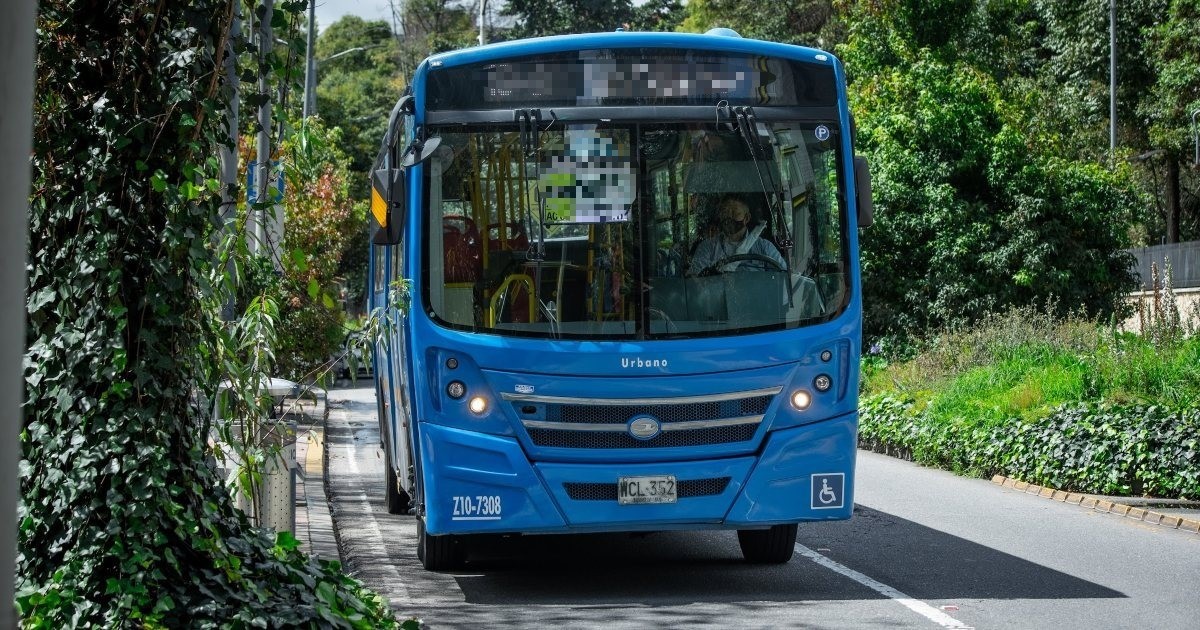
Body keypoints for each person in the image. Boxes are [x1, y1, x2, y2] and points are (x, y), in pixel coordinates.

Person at [687, 195, 786, 275]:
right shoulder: (707, 247)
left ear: (746, 218)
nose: (729, 217)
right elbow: (695, 280)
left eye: (735, 213)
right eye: (725, 213)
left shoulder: (764, 248)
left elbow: (783, 276)